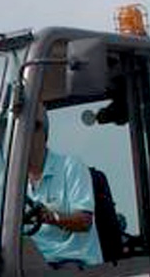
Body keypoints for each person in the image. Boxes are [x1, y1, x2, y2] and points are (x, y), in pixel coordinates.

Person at [25, 113, 102, 267]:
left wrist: (51, 217)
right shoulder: (12, 182)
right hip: (32, 263)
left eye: (32, 128)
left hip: (72, 262)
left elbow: (84, 222)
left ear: (43, 133)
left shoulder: (71, 167)